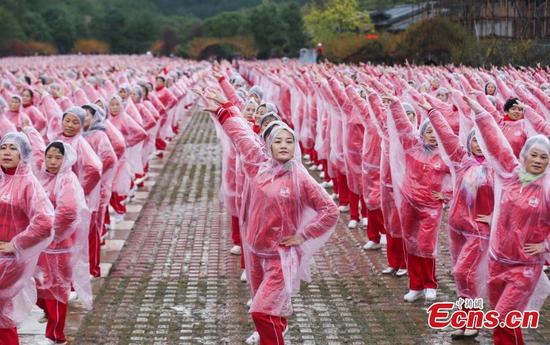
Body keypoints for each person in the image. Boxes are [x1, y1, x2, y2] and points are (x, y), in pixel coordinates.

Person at [203, 91, 338, 345]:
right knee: (265, 309)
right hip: (255, 251)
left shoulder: (300, 177)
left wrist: (303, 235)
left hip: (281, 256)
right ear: (268, 145)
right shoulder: (259, 166)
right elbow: (243, 138)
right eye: (278, 141)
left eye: (289, 140)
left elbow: (329, 210)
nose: (284, 145)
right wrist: (224, 111)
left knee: (261, 310)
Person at [468, 96, 550, 345]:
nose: (537, 160)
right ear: (524, 155)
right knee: (503, 321)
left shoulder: (547, 189)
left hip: (525, 266)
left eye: (544, 157)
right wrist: (479, 111)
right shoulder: (510, 176)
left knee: (503, 317)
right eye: (533, 155)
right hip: (497, 260)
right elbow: (496, 144)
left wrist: (546, 247)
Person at [423, 101, 494, 339]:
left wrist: (494, 217)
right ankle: (464, 321)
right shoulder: (462, 160)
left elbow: (512, 197)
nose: (478, 145)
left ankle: (473, 320)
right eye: (475, 140)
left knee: (465, 272)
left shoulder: (498, 170)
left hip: (479, 230)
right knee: (460, 275)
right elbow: (446, 135)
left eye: (483, 141)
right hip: (457, 228)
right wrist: (431, 111)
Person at [386, 95, 451, 302]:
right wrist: (396, 105)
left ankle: (430, 283)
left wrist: (446, 195)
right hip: (409, 203)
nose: (432, 136)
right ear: (422, 133)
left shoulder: (445, 155)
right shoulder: (411, 147)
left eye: (435, 132)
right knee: (411, 243)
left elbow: (461, 176)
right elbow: (404, 126)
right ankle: (415, 285)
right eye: (428, 131)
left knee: (425, 244)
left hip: (431, 206)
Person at [31, 140, 92, 345]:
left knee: (56, 289)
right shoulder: (43, 177)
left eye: (58, 157)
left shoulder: (66, 180)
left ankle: (56, 336)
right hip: (42, 243)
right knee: (39, 285)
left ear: (66, 160)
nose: (53, 161)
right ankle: (49, 315)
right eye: (50, 157)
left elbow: (68, 211)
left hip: (59, 245)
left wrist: (52, 233)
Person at [0, 132, 54, 345]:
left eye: (13, 148)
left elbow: (45, 222)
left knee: (3, 312)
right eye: (3, 147)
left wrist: (15, 244)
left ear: (23, 154)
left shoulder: (28, 184)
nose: (6, 152)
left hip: (10, 260)